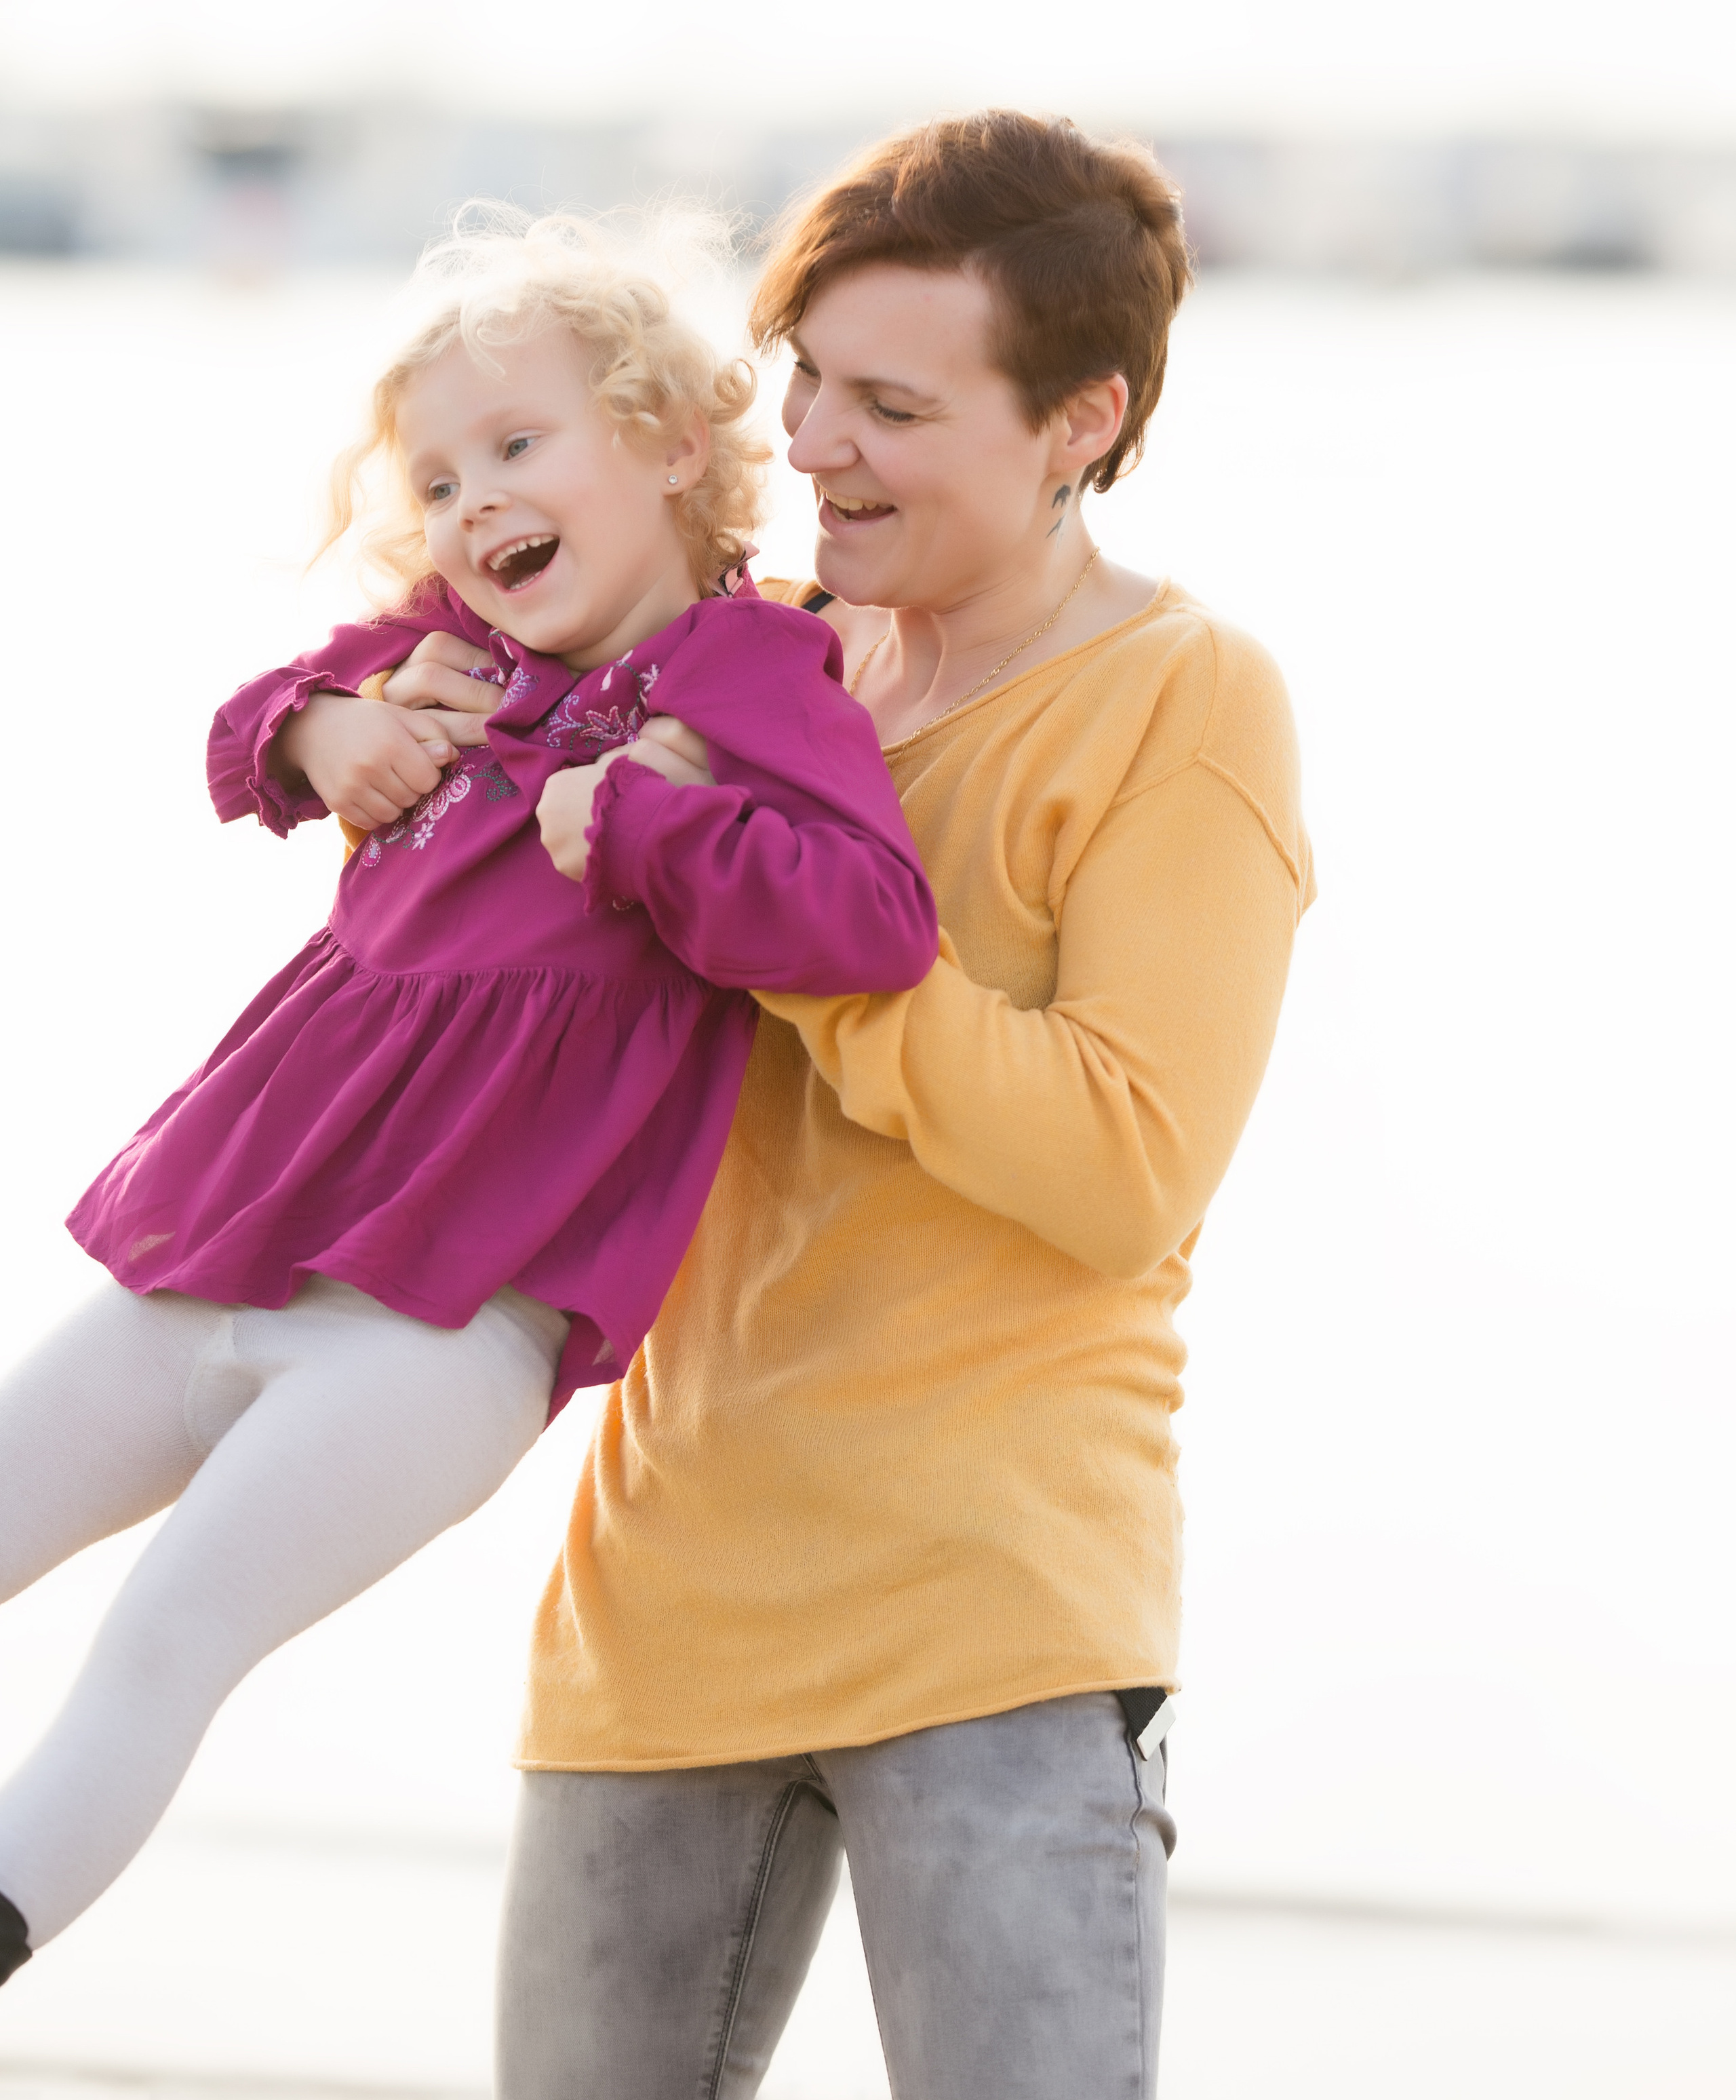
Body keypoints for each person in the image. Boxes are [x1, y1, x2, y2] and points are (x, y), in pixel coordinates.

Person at [368, 113, 1316, 2097]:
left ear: (1081, 419)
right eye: (802, 378)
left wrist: (754, 902)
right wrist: (342, 730)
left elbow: (1119, 1164)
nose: (808, 444)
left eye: (890, 403)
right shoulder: (746, 659)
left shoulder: (1185, 702)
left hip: (995, 1638)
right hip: (657, 1619)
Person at [0, 212, 936, 1990]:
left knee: (162, 1640)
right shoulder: (443, 649)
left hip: (445, 1327)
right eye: (436, 478)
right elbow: (250, 723)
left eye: (517, 447)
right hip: (225, 1236)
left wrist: (646, 825)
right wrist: (319, 727)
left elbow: (877, 920)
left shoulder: (757, 679)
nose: (471, 502)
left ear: (671, 445)